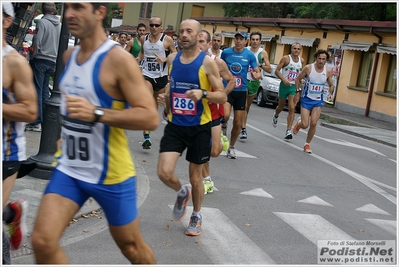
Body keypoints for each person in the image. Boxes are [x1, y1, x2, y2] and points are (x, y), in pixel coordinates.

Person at [30, 3, 158, 264]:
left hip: (110, 173)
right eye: (68, 7)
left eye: (78, 7)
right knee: (42, 241)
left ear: (100, 12)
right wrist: (66, 135)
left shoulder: (117, 59)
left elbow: (149, 116)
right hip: (70, 168)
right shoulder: (68, 57)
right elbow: (74, 109)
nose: (69, 15)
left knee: (132, 248)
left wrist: (97, 113)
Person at [157, 19, 227, 236]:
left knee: (196, 178)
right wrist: (167, 102)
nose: (184, 34)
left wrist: (203, 93)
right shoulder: (172, 59)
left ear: (198, 37)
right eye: (182, 31)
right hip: (175, 125)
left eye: (189, 31)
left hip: (199, 127)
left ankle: (196, 215)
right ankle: (181, 192)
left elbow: (222, 96)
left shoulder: (207, 63)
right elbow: (173, 86)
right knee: (163, 172)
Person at [2, 2, 38, 262]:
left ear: (6, 21)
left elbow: (30, 111)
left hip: (5, 153)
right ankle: (11, 214)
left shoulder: (14, 63)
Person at [198, 30, 234, 194]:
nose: (198, 45)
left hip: (213, 110)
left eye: (202, 42)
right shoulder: (186, 61)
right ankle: (207, 181)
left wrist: (221, 95)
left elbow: (231, 80)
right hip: (197, 112)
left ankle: (220, 138)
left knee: (214, 151)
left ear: (209, 44)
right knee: (201, 148)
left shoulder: (217, 62)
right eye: (196, 41)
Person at [221, 31, 261, 159]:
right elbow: (218, 67)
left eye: (241, 39)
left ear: (245, 41)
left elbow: (257, 71)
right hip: (227, 89)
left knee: (238, 122)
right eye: (236, 39)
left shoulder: (249, 55)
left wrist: (257, 75)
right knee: (225, 115)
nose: (238, 41)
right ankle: (223, 125)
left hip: (241, 91)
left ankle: (231, 147)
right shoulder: (226, 52)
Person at [138, 16, 176, 149]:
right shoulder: (144, 39)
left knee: (157, 106)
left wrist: (165, 60)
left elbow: (175, 54)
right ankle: (146, 136)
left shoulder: (167, 40)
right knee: (148, 103)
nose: (154, 27)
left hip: (161, 77)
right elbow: (143, 52)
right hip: (147, 75)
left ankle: (166, 111)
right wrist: (139, 60)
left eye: (156, 25)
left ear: (161, 26)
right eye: (152, 25)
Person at [26, 2, 61, 132]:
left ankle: (36, 121)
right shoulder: (60, 25)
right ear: (55, 10)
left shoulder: (42, 22)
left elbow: (38, 42)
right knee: (45, 91)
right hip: (52, 60)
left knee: (37, 90)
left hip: (40, 59)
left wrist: (33, 55)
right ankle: (46, 119)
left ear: (42, 9)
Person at [292, 49, 334, 154]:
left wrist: (330, 93)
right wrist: (297, 92)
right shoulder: (308, 68)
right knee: (305, 125)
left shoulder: (328, 71)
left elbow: (331, 85)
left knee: (314, 123)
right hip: (306, 99)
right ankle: (299, 123)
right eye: (319, 58)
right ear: (315, 58)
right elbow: (297, 79)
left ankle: (307, 144)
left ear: (326, 60)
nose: (321, 61)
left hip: (318, 101)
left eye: (323, 59)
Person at [240, 31, 272, 140]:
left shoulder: (263, 53)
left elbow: (269, 68)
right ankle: (243, 128)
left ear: (260, 41)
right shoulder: (245, 50)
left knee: (247, 106)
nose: (255, 41)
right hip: (244, 80)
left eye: (257, 39)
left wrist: (260, 65)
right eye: (253, 39)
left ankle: (242, 123)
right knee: (243, 105)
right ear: (250, 40)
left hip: (254, 82)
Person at [272, 42, 306, 141]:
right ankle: (276, 114)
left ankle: (288, 131)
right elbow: (277, 71)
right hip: (284, 85)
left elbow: (301, 73)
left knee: (292, 108)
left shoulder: (302, 60)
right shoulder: (286, 59)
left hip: (293, 87)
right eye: (294, 48)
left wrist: (301, 79)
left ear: (300, 50)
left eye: (298, 49)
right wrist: (284, 79)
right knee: (281, 106)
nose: (296, 50)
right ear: (291, 49)